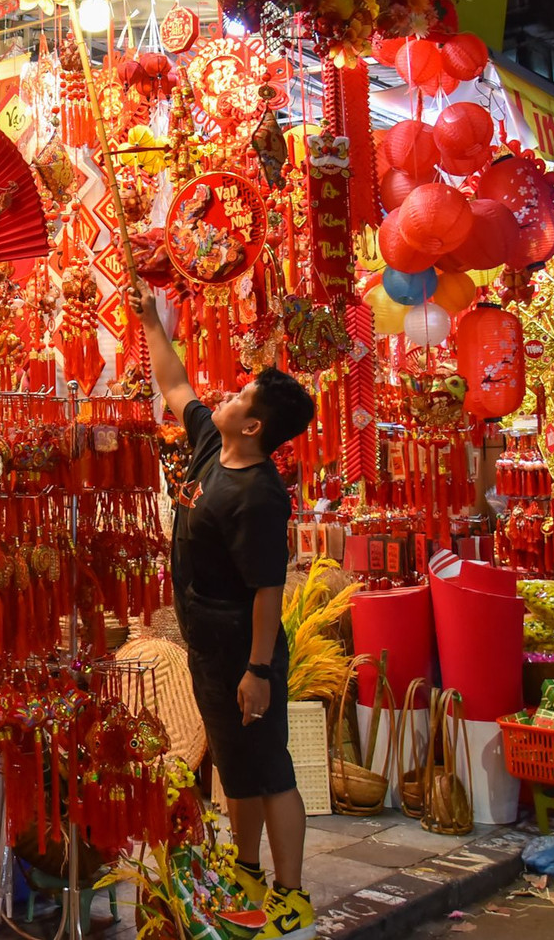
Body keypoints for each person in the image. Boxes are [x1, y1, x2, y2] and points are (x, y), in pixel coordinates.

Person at [140, 295, 318, 940]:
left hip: (245, 645)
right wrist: (152, 324)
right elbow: (175, 383)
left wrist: (259, 669)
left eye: (240, 398)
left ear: (254, 427)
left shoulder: (260, 495)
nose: (226, 397)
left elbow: (268, 592)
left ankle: (291, 894)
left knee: (269, 771)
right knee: (236, 767)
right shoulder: (214, 446)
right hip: (209, 643)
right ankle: (245, 871)